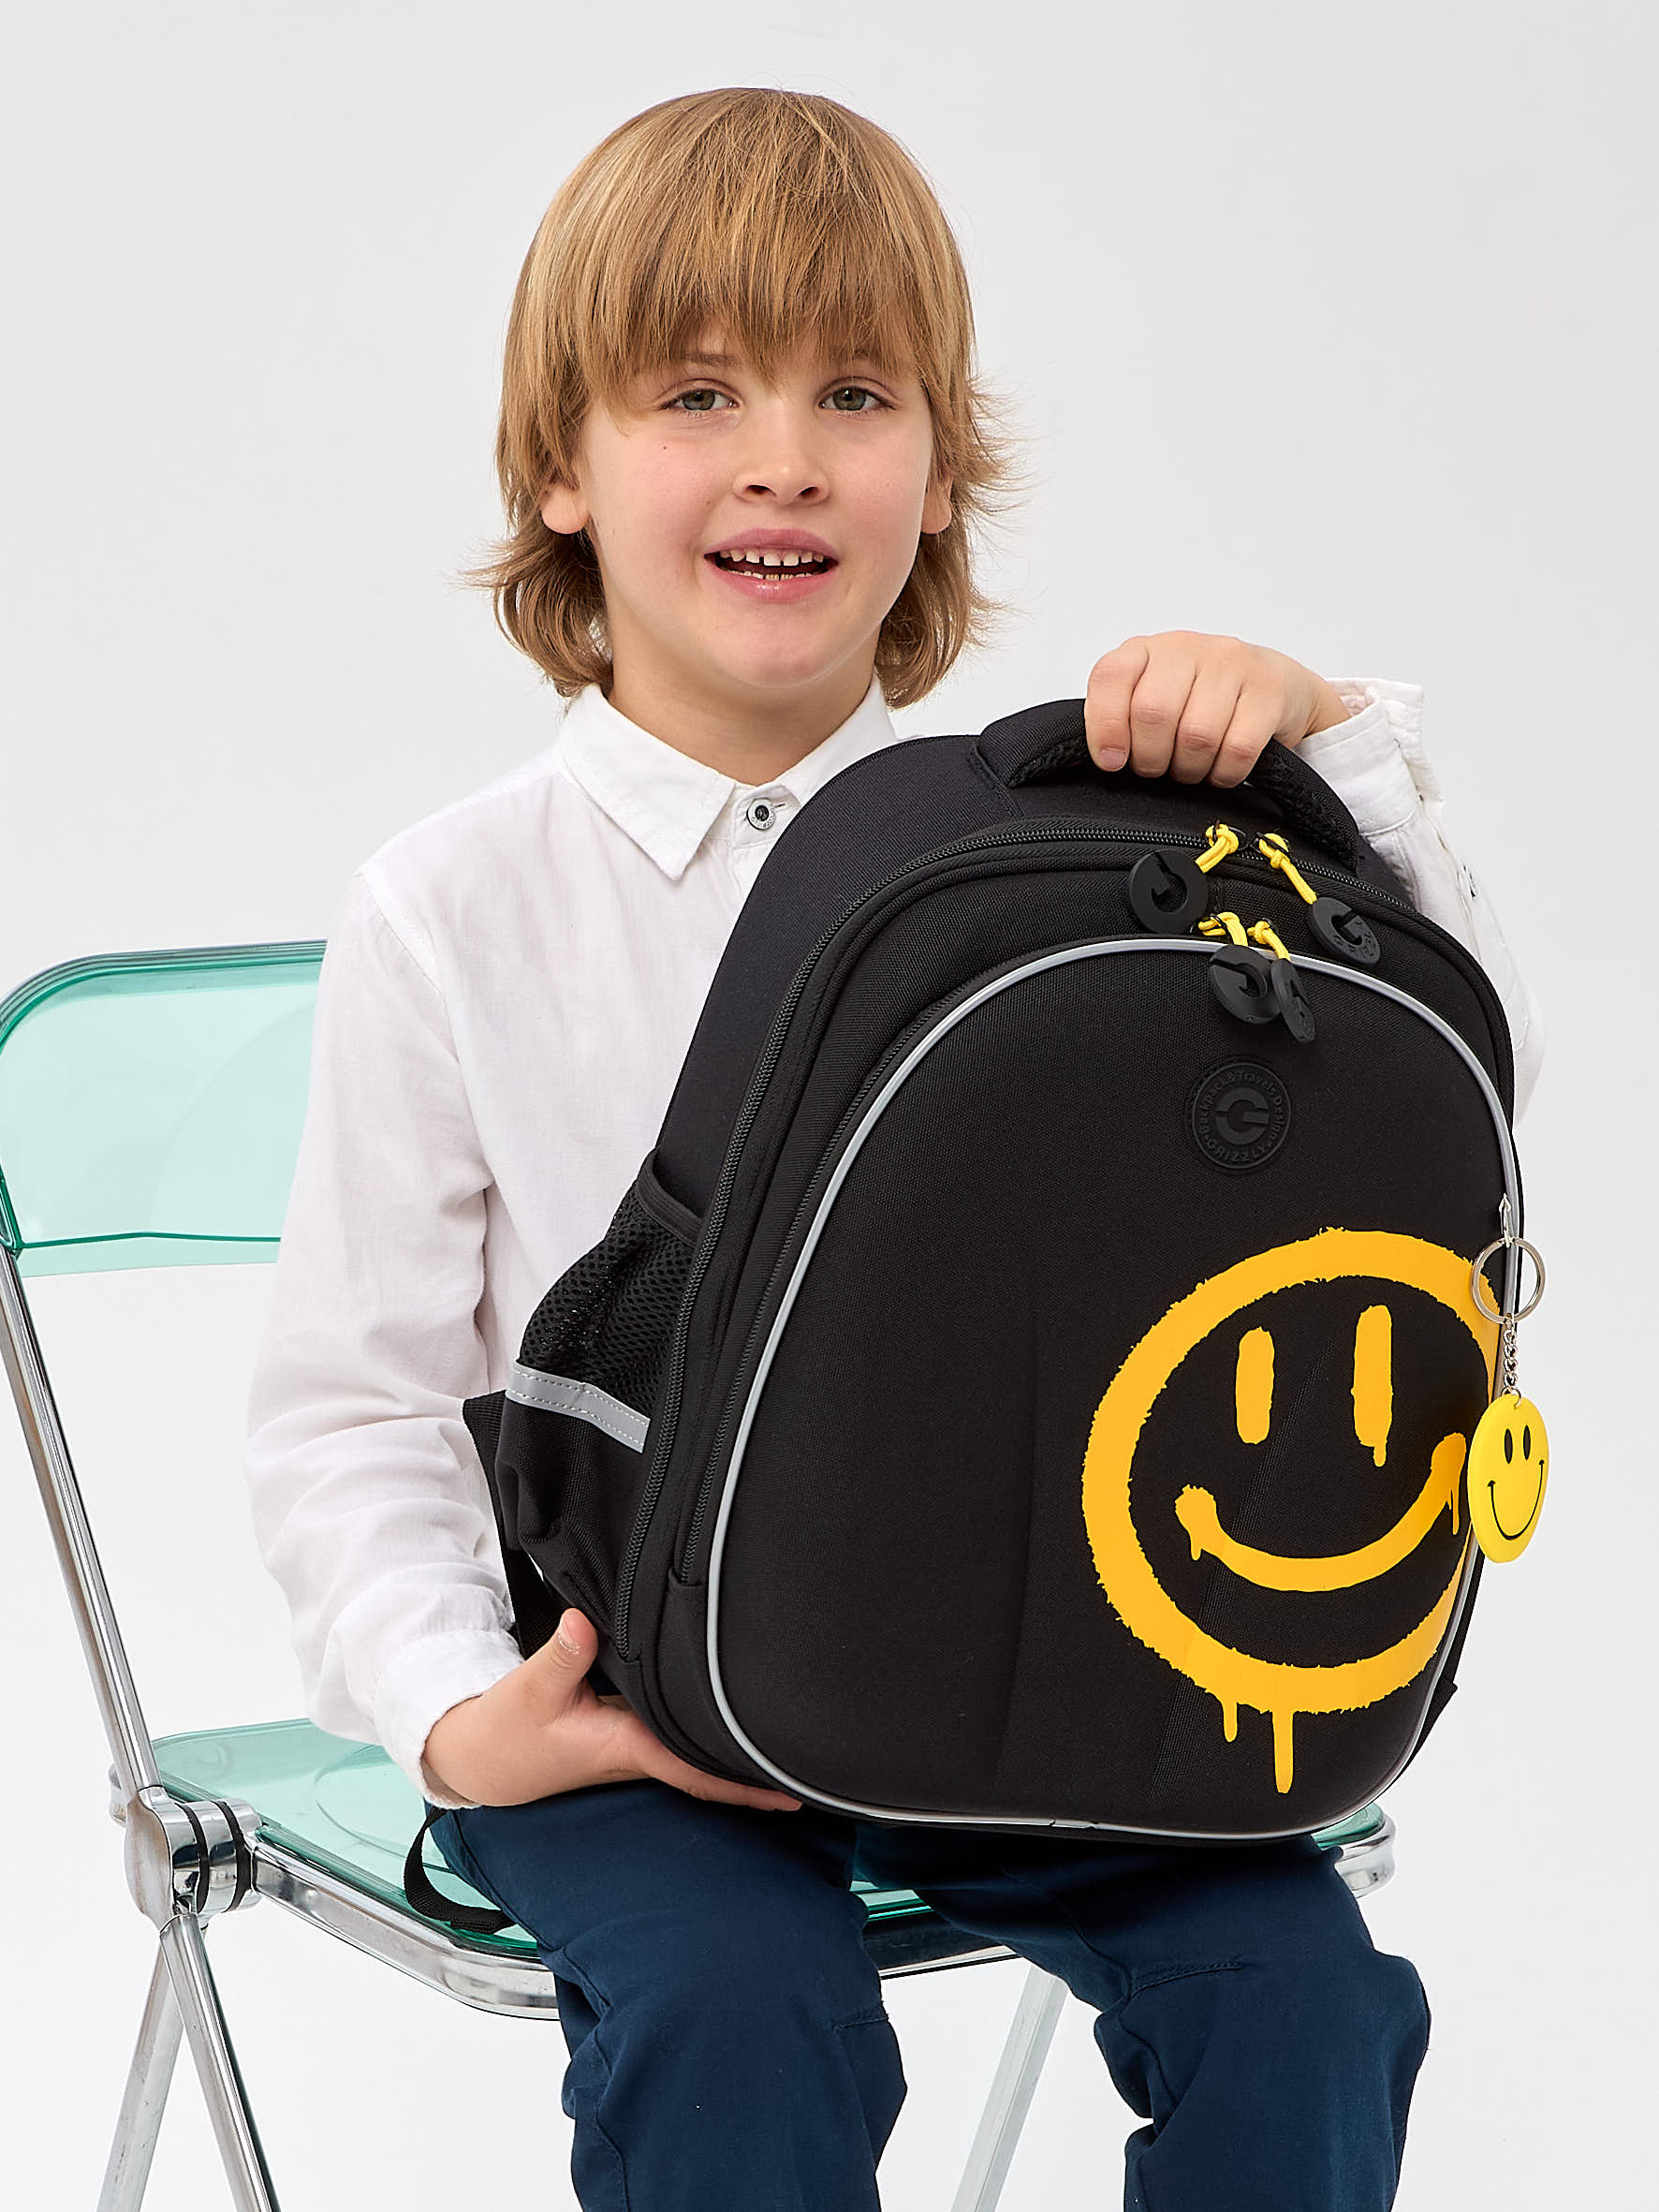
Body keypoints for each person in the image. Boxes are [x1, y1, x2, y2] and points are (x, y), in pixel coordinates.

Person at [244, 85, 1544, 2212]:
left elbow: (1441, 1086)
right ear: (560, 467)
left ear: (936, 477)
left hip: (1014, 1655)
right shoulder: (452, 906)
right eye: (697, 393)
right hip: (630, 1698)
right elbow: (352, 1410)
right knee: (746, 2010)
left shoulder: (1065, 863)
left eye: (854, 393)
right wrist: (457, 1706)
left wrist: (1328, 752)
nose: (783, 455)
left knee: (1300, 1995)